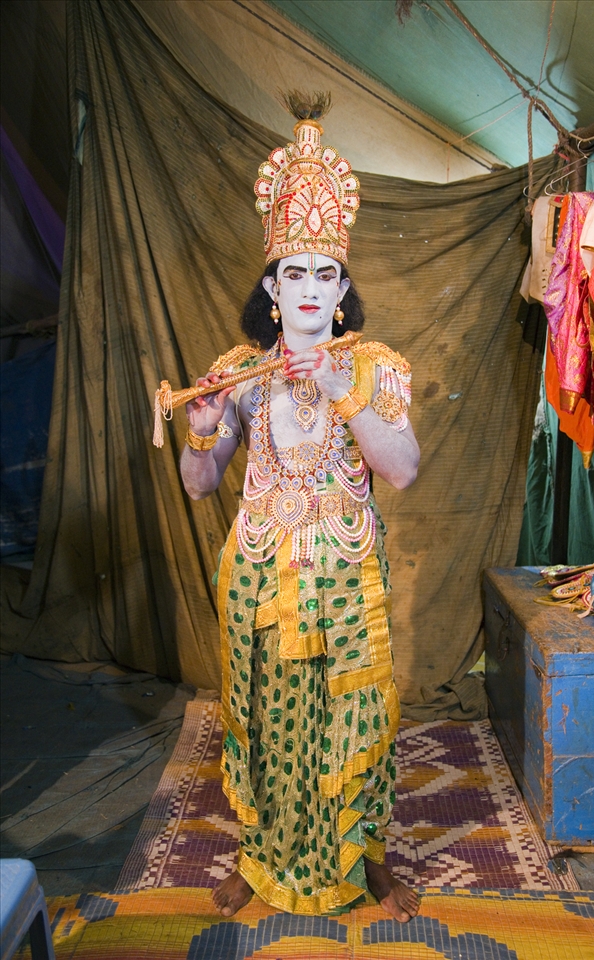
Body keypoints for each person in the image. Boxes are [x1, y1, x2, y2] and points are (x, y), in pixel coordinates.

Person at [179, 94, 420, 921]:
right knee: (266, 722)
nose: (311, 289)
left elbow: (405, 471)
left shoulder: (374, 365)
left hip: (347, 577)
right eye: (295, 275)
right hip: (260, 578)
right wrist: (203, 435)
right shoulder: (239, 373)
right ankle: (260, 857)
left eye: (326, 275)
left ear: (342, 288)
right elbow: (199, 484)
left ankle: (366, 860)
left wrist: (344, 394)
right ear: (273, 290)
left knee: (351, 722)